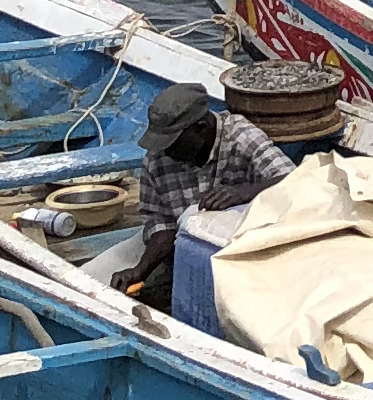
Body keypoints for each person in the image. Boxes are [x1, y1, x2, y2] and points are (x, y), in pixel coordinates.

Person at [123, 80, 298, 308]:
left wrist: (244, 192)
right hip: (187, 249)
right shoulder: (157, 160)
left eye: (174, 143)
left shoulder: (242, 138)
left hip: (248, 252)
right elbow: (162, 225)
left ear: (201, 128)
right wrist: (140, 270)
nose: (167, 151)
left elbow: (298, 179)